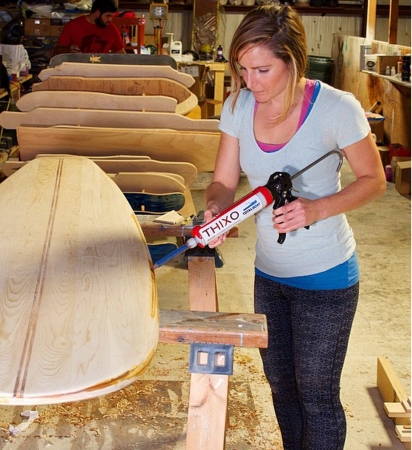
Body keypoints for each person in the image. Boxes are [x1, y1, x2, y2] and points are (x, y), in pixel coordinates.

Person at [204, 5, 386, 450]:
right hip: (269, 274)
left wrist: (317, 209)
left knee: (317, 396)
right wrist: (216, 210)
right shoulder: (238, 106)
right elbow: (224, 181)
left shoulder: (337, 109)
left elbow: (375, 181)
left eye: (263, 69)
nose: (251, 82)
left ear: (294, 61)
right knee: (281, 389)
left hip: (326, 279)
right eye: (243, 69)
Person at [53, 0, 126, 56]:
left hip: (101, 70)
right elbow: (57, 52)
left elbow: (121, 54)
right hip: (77, 70)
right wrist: (68, 49)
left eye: (112, 16)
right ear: (97, 13)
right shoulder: (73, 25)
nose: (110, 20)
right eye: (108, 16)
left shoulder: (112, 29)